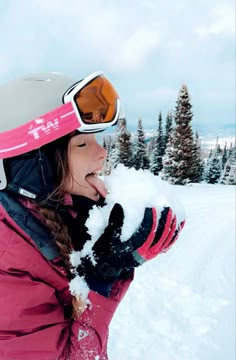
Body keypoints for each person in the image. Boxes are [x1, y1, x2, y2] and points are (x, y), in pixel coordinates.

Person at [0, 71, 185, 360]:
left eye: (96, 140)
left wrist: (110, 248)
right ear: (34, 164)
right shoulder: (7, 261)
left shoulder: (56, 210)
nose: (102, 153)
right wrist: (101, 278)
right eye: (82, 144)